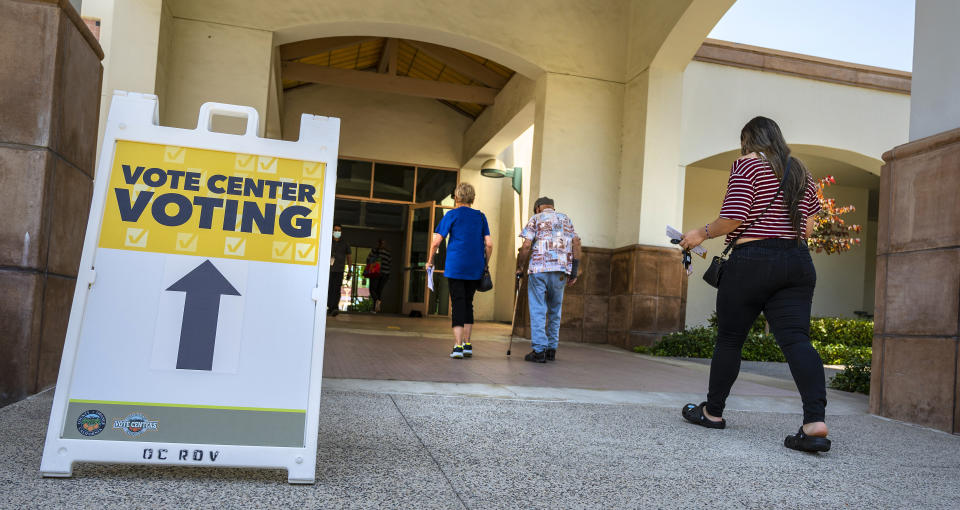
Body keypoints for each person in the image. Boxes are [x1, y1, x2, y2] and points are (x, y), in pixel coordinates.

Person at [678, 116, 830, 453]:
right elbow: (807, 229)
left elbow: (734, 215)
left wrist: (698, 234)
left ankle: (713, 412)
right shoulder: (801, 171)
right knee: (797, 341)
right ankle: (814, 422)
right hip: (797, 261)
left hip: (753, 261)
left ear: (749, 141)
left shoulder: (748, 165)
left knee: (731, 339)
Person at [426, 183, 493, 359]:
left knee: (457, 304)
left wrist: (430, 260)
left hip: (456, 267)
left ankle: (457, 347)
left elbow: (436, 242)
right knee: (468, 303)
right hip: (475, 267)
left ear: (456, 198)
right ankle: (468, 344)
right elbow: (489, 244)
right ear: (473, 198)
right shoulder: (480, 217)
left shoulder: (451, 215)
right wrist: (485, 264)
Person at [516, 197, 580, 363]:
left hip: (539, 270)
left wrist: (520, 267)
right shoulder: (566, 219)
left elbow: (526, 246)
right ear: (552, 207)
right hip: (560, 270)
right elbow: (577, 243)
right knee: (555, 310)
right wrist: (573, 272)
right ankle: (551, 349)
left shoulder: (535, 219)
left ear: (538, 208)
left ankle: (539, 351)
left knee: (538, 309)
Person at [328, 224, 351, 317]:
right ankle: (329, 306)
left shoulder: (345, 243)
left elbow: (349, 257)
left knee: (337, 289)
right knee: (329, 288)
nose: (337, 232)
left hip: (339, 269)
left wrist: (349, 270)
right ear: (332, 231)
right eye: (335, 230)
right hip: (328, 270)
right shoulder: (328, 241)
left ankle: (334, 307)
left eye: (339, 230)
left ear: (341, 232)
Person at [365, 239, 391, 313]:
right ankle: (375, 308)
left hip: (375, 273)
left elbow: (368, 259)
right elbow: (389, 263)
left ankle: (376, 301)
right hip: (385, 274)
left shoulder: (375, 250)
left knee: (372, 289)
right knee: (379, 291)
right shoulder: (388, 253)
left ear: (378, 244)